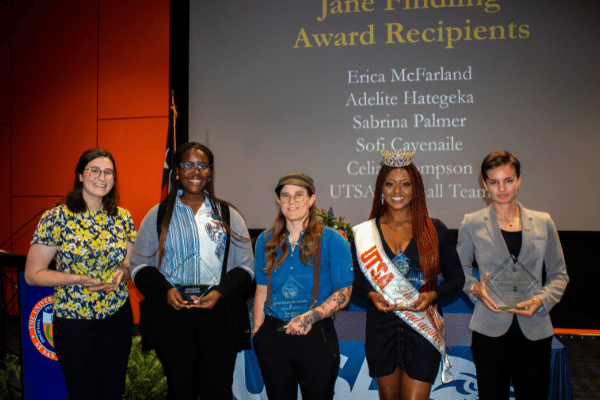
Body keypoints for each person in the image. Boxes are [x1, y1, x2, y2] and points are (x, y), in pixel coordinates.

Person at [130, 142, 254, 400]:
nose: (194, 171)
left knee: (217, 391)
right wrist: (165, 291)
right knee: (180, 389)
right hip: (173, 316)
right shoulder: (158, 214)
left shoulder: (229, 214)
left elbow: (246, 267)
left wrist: (220, 292)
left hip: (219, 316)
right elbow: (139, 266)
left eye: (202, 166)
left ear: (210, 172)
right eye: (187, 165)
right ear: (177, 171)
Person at [352, 149, 465, 400]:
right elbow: (355, 283)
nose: (397, 191)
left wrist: (433, 295)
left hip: (422, 327)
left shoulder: (435, 230)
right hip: (381, 329)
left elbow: (458, 279)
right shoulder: (365, 234)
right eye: (390, 184)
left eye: (405, 184)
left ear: (416, 189)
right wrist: (371, 295)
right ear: (381, 188)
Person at [24, 148, 136, 400]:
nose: (101, 177)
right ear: (80, 176)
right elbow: (33, 274)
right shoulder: (57, 217)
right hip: (74, 319)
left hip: (117, 316)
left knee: (113, 392)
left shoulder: (122, 218)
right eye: (94, 170)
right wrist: (78, 279)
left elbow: (131, 266)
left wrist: (122, 273)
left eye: (108, 172)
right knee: (82, 393)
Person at [456, 150, 568, 400]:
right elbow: (459, 271)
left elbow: (559, 274)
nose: (502, 188)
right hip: (489, 328)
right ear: (485, 185)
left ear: (519, 180)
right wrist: (475, 289)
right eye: (494, 182)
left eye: (508, 180)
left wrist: (541, 302)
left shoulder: (543, 222)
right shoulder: (471, 223)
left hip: (535, 327)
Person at [252, 172, 353, 400]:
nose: (292, 201)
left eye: (299, 195)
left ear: (311, 199)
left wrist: (309, 317)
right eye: (285, 196)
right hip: (273, 335)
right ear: (278, 200)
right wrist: (258, 332)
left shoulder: (332, 240)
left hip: (315, 335)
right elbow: (261, 289)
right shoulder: (265, 241)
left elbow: (344, 293)